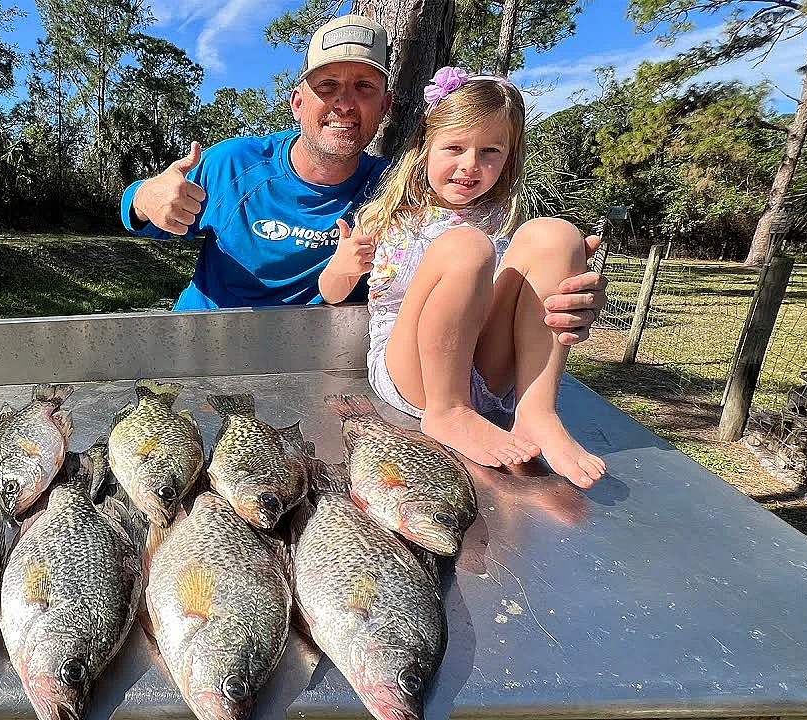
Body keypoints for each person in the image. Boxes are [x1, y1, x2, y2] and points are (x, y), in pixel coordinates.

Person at [120, 16, 606, 349]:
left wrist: (554, 293)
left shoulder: (401, 192)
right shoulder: (233, 163)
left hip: (327, 357)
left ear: (385, 105)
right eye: (327, 86)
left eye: (364, 87)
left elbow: (468, 260)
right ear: (298, 101)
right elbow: (143, 213)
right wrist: (145, 196)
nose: (344, 103)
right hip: (205, 341)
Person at [319, 67, 606, 488]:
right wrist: (341, 267)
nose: (470, 165)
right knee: (466, 245)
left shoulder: (505, 224)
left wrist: (570, 279)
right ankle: (448, 410)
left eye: (490, 151)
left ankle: (537, 409)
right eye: (454, 147)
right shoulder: (387, 218)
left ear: (509, 158)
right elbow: (331, 293)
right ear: (425, 146)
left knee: (557, 234)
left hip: (487, 371)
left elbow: (523, 307)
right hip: (413, 373)